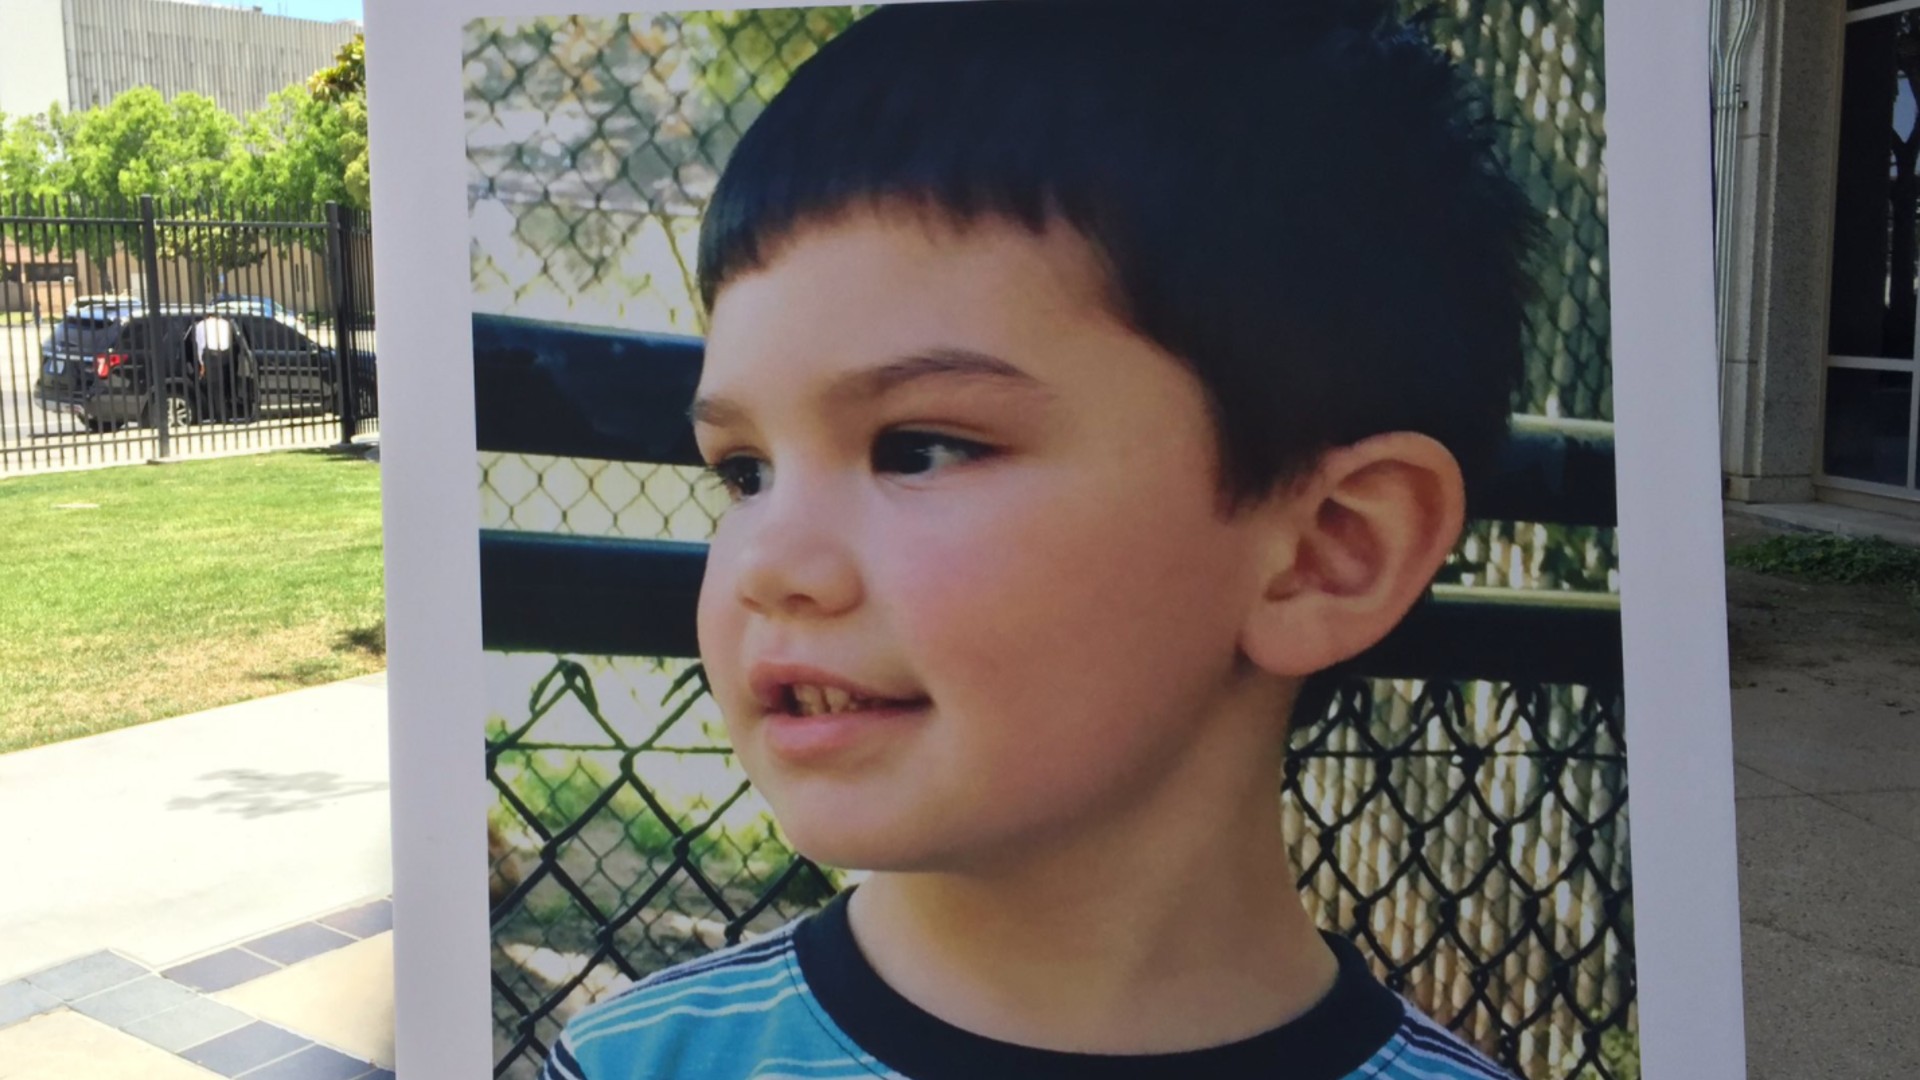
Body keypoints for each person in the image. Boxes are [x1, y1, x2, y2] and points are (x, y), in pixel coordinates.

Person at [545, 1, 1538, 1077]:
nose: (770, 566)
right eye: (745, 472)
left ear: (1325, 551)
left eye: (918, 448)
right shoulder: (633, 1063)